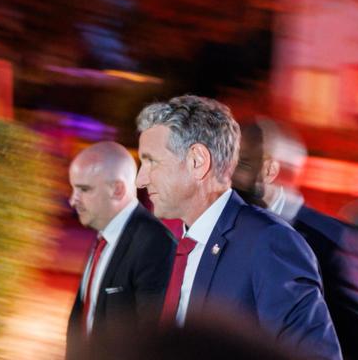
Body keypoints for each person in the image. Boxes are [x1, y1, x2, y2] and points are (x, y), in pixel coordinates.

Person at [135, 95, 342, 360]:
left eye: (152, 161)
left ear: (197, 161)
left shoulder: (269, 242)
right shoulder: (166, 244)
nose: (140, 180)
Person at [232, 118, 358, 360]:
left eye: (241, 163)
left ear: (273, 171)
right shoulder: (219, 229)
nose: (229, 175)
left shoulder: (335, 244)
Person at [66, 141, 176, 358]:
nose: (72, 200)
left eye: (84, 189)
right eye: (73, 188)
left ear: (117, 190)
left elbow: (152, 340)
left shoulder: (155, 244)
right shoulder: (103, 235)